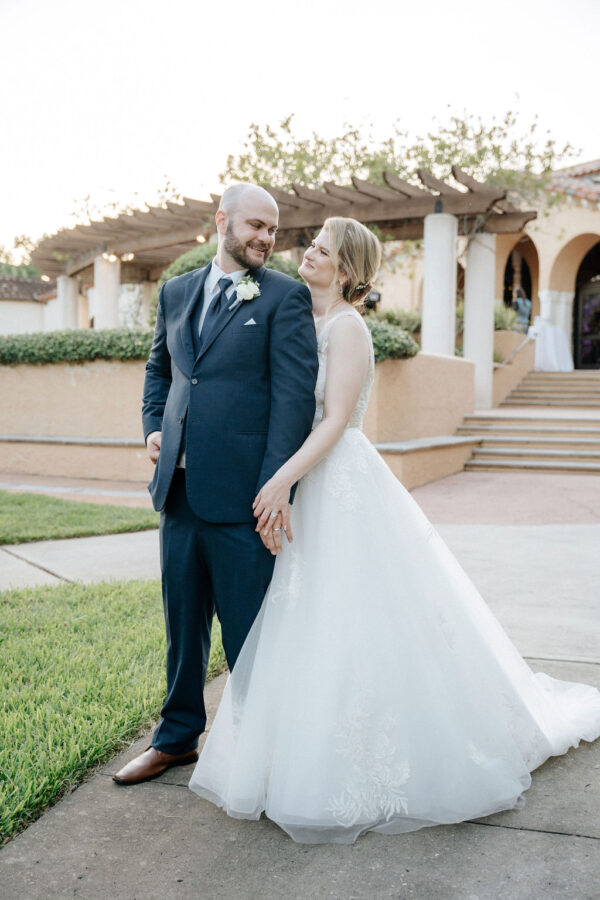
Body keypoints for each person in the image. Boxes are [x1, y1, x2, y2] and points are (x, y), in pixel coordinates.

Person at [189, 217, 600, 844]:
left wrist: (279, 483)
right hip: (303, 480)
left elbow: (333, 425)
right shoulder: (300, 319)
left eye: (323, 250)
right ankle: (293, 751)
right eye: (313, 246)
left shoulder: (349, 328)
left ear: (347, 270)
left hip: (340, 482)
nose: (309, 255)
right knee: (304, 619)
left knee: (357, 616)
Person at [113, 184, 319, 786]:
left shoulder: (285, 296)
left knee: (249, 634)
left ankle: (261, 750)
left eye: (273, 230)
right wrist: (154, 426)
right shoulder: (176, 291)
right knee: (183, 628)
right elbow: (162, 370)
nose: (265, 238)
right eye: (256, 225)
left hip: (245, 502)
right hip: (176, 492)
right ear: (222, 221)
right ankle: (176, 739)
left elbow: (292, 401)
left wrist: (275, 488)